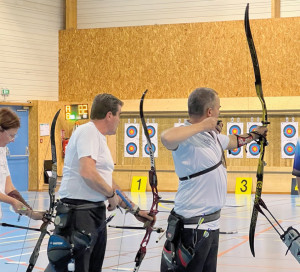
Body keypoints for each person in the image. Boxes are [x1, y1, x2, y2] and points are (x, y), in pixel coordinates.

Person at [160, 87, 268, 272]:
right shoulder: (185, 133)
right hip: (192, 227)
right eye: (218, 107)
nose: (219, 111)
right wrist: (204, 125)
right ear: (210, 112)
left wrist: (254, 135)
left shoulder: (212, 136)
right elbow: (165, 138)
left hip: (211, 225)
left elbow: (233, 141)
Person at [45, 94, 154, 272]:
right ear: (109, 115)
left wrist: (134, 209)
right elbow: (87, 172)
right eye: (119, 115)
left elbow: (107, 181)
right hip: (78, 215)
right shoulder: (88, 131)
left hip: (92, 214)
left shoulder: (98, 137)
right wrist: (110, 195)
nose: (119, 120)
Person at [0, 108, 44, 221]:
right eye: (11, 135)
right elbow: (12, 199)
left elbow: (9, 188)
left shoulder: (2, 149)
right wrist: (13, 202)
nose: (13, 140)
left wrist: (30, 212)